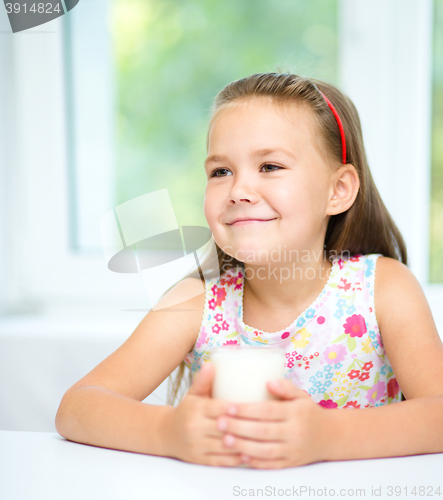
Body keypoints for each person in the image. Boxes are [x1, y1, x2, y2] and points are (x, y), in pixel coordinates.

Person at [55, 72, 443, 469]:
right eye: (220, 172)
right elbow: (77, 407)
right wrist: (169, 432)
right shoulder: (195, 303)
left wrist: (327, 436)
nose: (238, 190)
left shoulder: (382, 289)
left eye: (270, 166)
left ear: (337, 190)